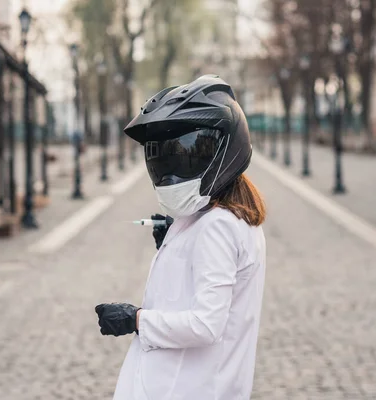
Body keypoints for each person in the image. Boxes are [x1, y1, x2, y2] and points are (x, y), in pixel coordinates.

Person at [95, 75, 267, 400]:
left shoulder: (218, 226)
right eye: (162, 158)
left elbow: (206, 324)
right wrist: (175, 246)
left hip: (183, 386)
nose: (170, 171)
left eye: (185, 155)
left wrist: (134, 320)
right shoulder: (229, 218)